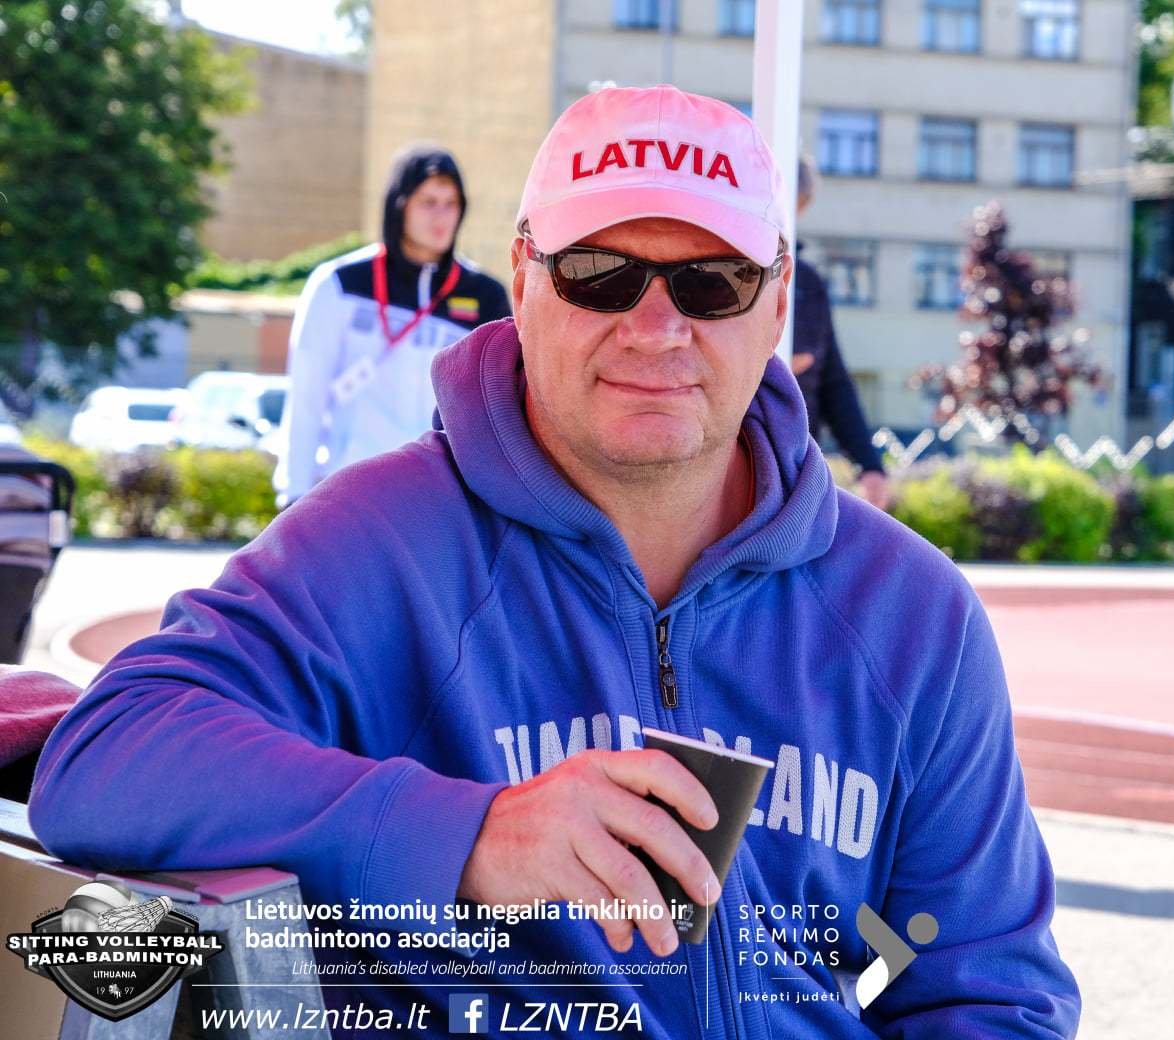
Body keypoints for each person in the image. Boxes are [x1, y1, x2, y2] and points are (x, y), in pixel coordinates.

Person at [30, 85, 1081, 1037]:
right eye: (600, 275)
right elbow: (110, 752)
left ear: (777, 303)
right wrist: (471, 835)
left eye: (712, 282)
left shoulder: (912, 613)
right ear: (525, 281)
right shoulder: (382, 543)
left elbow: (990, 988)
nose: (656, 328)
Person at [272, 144, 511, 507]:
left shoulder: (485, 295)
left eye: (451, 203)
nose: (441, 216)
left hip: (439, 500)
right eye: (428, 202)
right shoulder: (339, 284)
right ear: (400, 205)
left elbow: (496, 412)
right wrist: (294, 493)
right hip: (349, 493)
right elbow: (307, 394)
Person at [791, 153, 891, 510]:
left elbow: (834, 382)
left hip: (793, 471)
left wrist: (870, 465)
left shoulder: (807, 283)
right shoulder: (719, 273)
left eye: (796, 206)